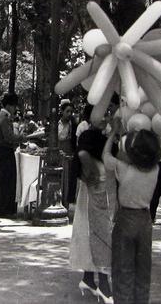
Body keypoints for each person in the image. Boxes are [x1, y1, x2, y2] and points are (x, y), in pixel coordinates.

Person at [105, 128, 161, 304]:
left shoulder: (123, 168)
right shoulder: (156, 170)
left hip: (126, 218)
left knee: (123, 271)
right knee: (143, 270)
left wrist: (114, 132)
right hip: (145, 220)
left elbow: (106, 155)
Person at [70, 113, 115, 303]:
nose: (106, 117)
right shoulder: (91, 137)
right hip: (98, 199)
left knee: (90, 233)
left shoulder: (97, 137)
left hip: (92, 198)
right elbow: (82, 153)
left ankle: (89, 278)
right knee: (100, 235)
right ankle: (104, 285)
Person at [0, 92, 24, 217]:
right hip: (5, 151)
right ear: (10, 105)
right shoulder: (4, 117)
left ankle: (0, 208)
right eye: (15, 106)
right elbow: (9, 137)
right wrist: (22, 137)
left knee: (2, 180)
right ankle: (5, 209)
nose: (16, 109)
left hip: (1, 150)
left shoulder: (1, 115)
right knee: (7, 181)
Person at [58, 99, 78, 207]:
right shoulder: (56, 123)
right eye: (67, 111)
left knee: (67, 180)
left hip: (68, 153)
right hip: (58, 152)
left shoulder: (73, 125)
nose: (69, 114)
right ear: (62, 111)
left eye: (71, 112)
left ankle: (65, 203)